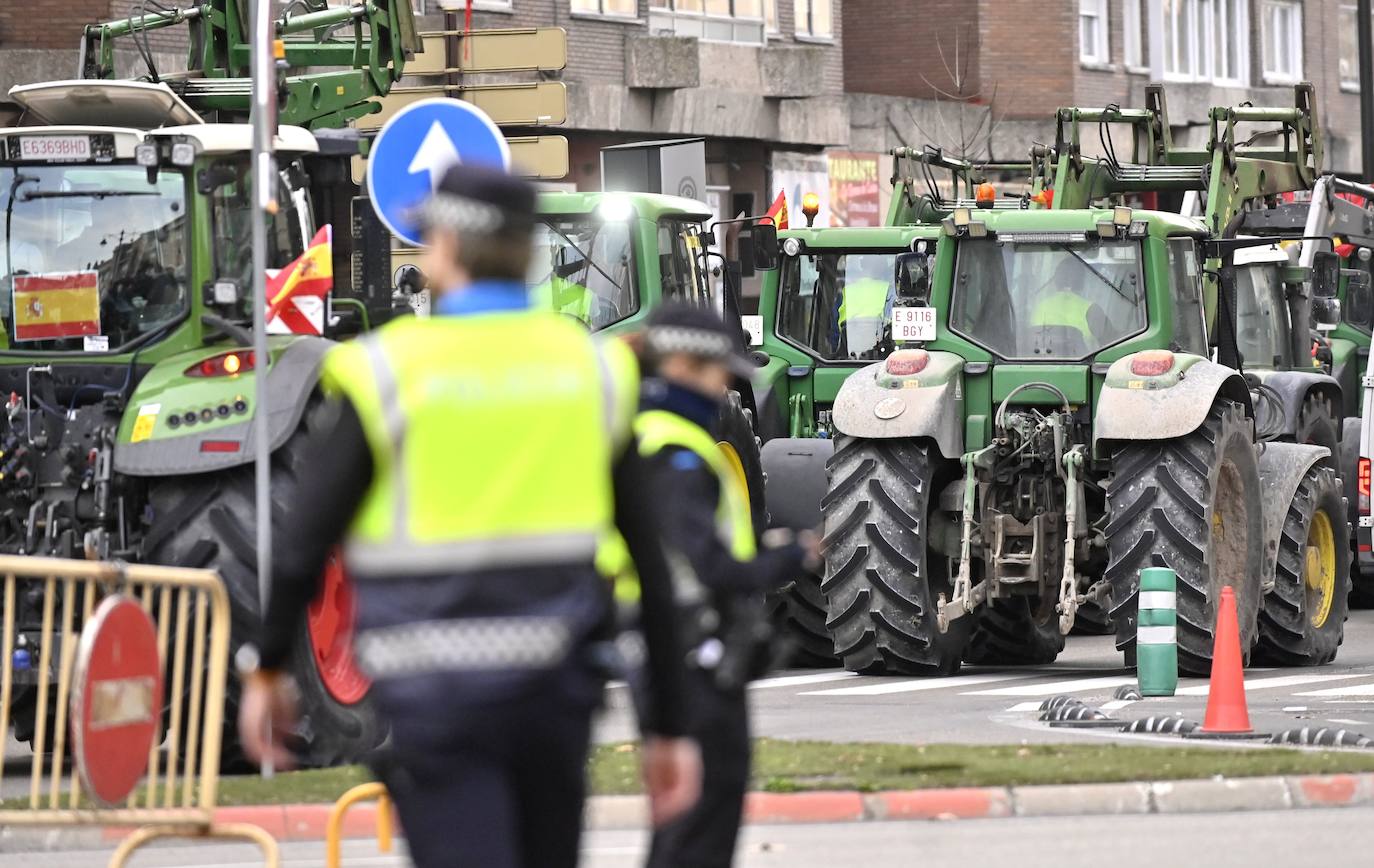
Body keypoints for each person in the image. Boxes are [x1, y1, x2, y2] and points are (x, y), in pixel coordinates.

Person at [236, 163, 701, 868]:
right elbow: (653, 561)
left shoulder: (385, 370)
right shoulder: (591, 370)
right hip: (554, 692)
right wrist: (668, 727)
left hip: (434, 700)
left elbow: (305, 540)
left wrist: (268, 670)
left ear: (449, 247)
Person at [634, 304, 821, 868]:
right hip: (691, 654)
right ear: (687, 364)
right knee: (699, 826)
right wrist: (788, 557)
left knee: (687, 824)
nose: (724, 386)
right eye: (720, 370)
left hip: (673, 649)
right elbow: (704, 567)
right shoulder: (675, 453)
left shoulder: (648, 436)